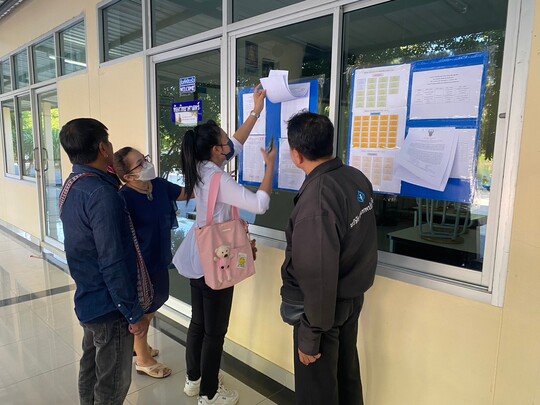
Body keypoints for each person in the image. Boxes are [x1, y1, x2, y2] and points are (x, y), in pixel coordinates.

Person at [175, 85, 276, 405]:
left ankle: (193, 380)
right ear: (216, 151)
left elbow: (236, 142)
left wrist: (256, 111)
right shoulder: (219, 179)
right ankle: (209, 394)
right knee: (215, 332)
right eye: (224, 142)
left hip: (198, 253)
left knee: (199, 322)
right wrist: (270, 167)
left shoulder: (201, 166)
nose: (229, 145)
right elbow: (260, 204)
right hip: (216, 258)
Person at [280, 112, 378, 405]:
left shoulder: (318, 198)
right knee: (346, 380)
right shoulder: (354, 177)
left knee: (318, 393)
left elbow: (317, 275)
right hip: (349, 301)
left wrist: (310, 336)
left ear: (296, 154)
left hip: (322, 315)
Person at [59, 118, 150, 405]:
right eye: (108, 142)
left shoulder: (72, 185)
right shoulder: (102, 195)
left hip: (89, 299)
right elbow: (112, 261)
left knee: (90, 369)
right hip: (111, 308)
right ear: (103, 148)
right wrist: (132, 313)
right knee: (112, 386)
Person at [113, 147, 189, 379]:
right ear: (128, 176)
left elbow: (185, 193)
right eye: (140, 163)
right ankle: (143, 359)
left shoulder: (158, 185)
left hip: (160, 256)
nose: (147, 164)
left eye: (144, 158)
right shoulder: (124, 198)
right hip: (140, 265)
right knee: (145, 306)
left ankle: (139, 346)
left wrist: (212, 179)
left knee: (158, 299)